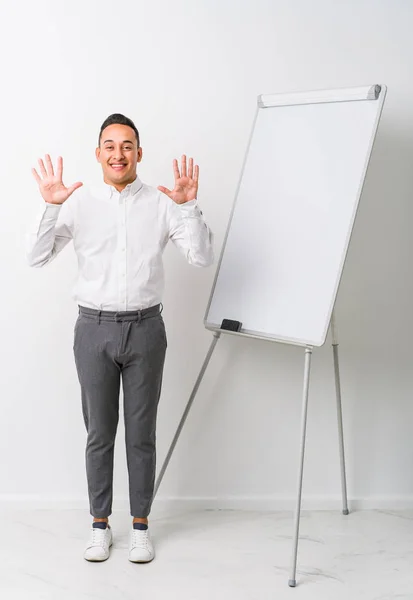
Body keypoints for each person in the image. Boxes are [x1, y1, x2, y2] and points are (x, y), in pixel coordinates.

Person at [26, 113, 214, 563]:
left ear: (139, 154)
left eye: (127, 146)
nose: (118, 154)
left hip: (147, 329)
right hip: (92, 329)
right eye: (110, 146)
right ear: (98, 154)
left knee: (141, 433)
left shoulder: (162, 203)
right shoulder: (78, 202)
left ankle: (141, 526)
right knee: (99, 434)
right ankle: (100, 525)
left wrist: (189, 206)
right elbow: (35, 258)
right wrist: (50, 206)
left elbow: (201, 257)